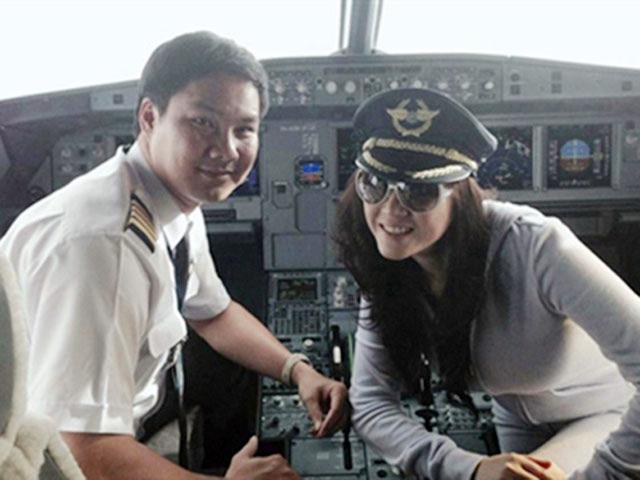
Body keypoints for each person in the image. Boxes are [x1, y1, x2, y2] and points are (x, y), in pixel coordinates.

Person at [0, 31, 347, 480]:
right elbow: (82, 451)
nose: (226, 150)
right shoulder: (104, 248)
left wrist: (298, 371)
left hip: (120, 421)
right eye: (202, 122)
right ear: (149, 116)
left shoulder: (168, 198)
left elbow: (214, 313)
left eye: (244, 129)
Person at [333, 87, 640, 480]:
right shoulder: (386, 267)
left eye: (419, 191)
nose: (391, 210)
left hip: (609, 414)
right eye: (374, 183)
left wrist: (605, 472)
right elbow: (371, 403)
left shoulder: (536, 246)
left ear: (459, 195)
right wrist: (470, 467)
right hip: (518, 416)